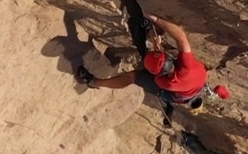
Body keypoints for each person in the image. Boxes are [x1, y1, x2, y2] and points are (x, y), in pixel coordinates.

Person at [77, 14, 230, 107]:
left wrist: (156, 49)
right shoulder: (191, 67)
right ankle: (149, 29)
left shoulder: (166, 83)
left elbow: (158, 74)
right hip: (192, 84)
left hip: (172, 93)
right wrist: (155, 19)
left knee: (132, 77)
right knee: (176, 41)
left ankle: (93, 82)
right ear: (171, 58)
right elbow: (181, 37)